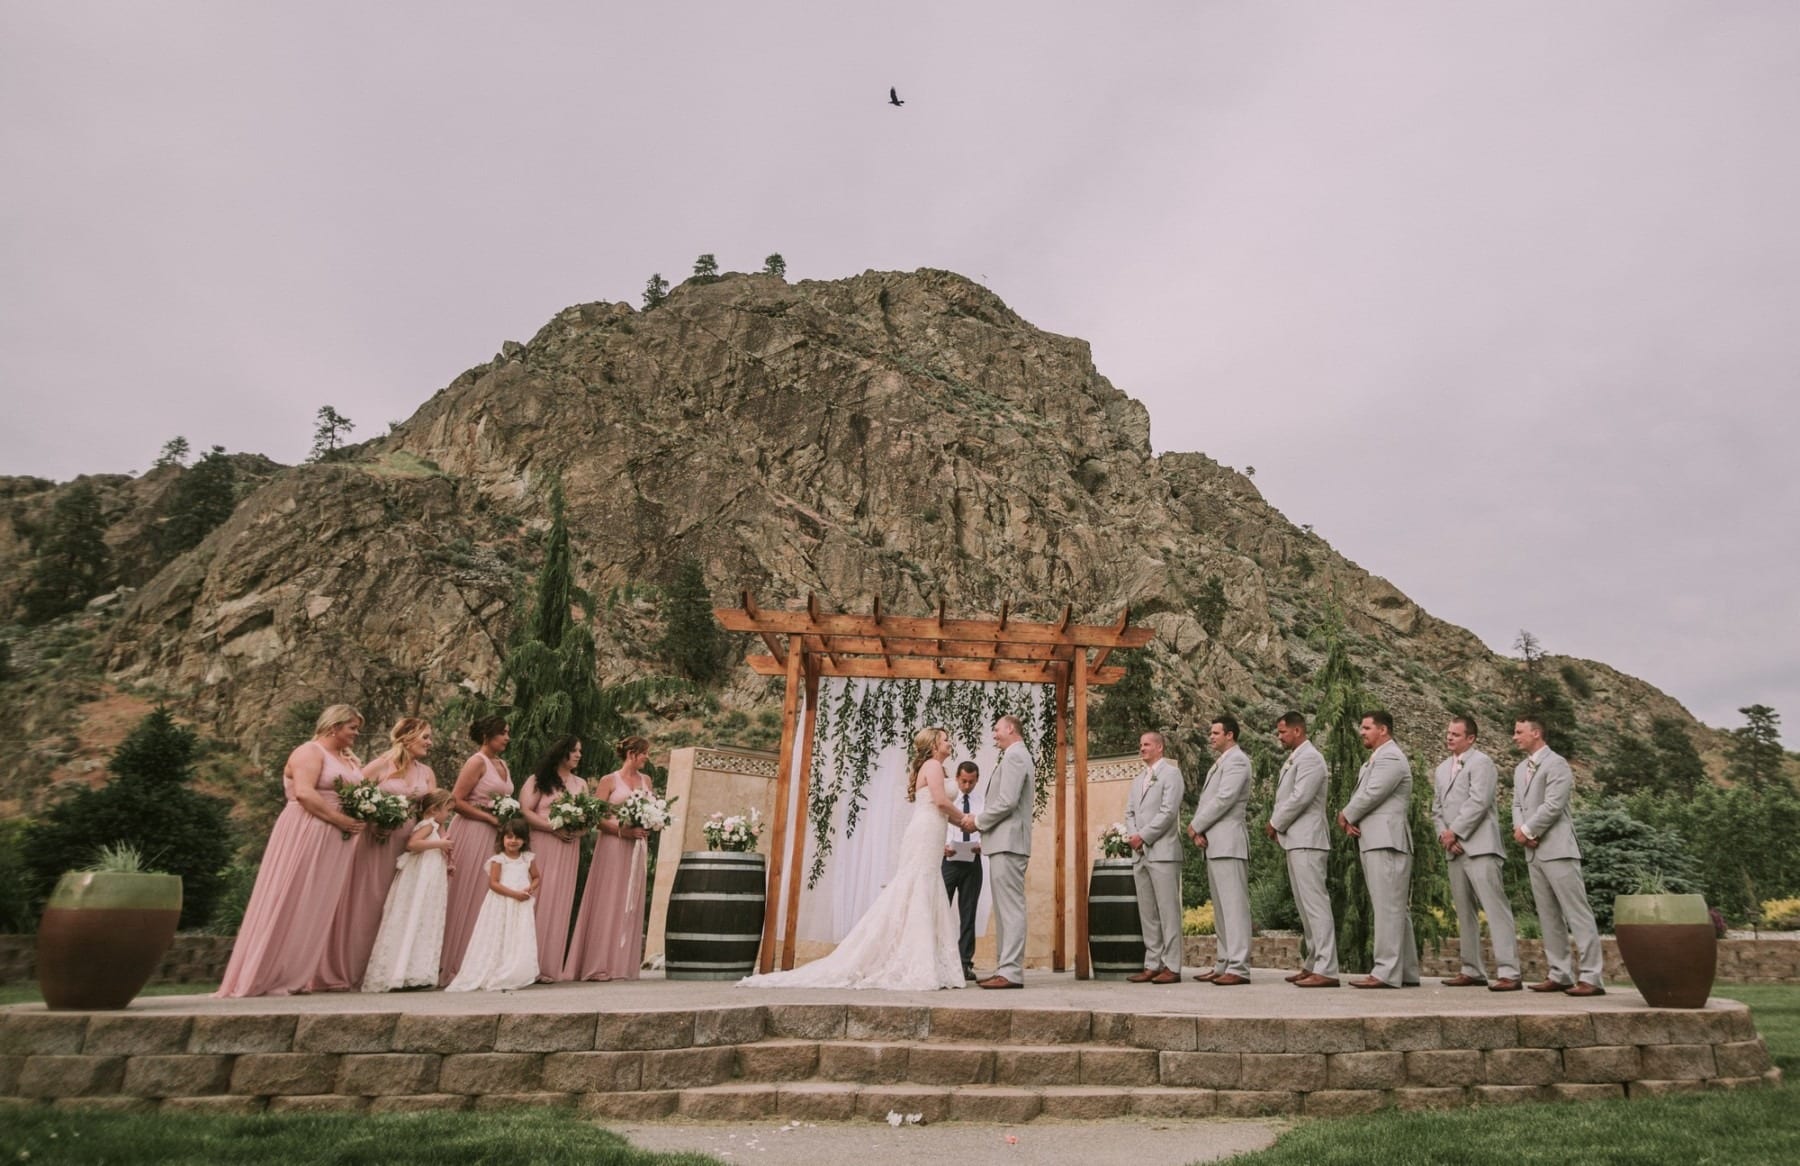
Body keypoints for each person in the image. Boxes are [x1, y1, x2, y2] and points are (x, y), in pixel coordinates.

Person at [741, 726, 966, 990]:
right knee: (917, 886)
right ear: (934, 745)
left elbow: (939, 806)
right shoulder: (933, 766)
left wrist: (962, 824)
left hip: (931, 829)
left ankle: (923, 958)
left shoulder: (934, 768)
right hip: (926, 830)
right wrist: (964, 819)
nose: (950, 743)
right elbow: (939, 801)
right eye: (945, 739)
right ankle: (915, 961)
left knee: (924, 886)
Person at [216, 705, 368, 998]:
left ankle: (296, 975)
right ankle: (266, 974)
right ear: (334, 726)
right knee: (292, 894)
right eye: (352, 727)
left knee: (317, 902)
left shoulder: (348, 759)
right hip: (308, 828)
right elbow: (304, 793)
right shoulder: (309, 752)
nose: (356, 733)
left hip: (339, 836)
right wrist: (341, 820)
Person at [314, 716, 438, 991]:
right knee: (366, 902)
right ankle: (346, 970)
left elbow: (432, 812)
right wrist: (373, 821)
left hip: (410, 843)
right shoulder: (381, 765)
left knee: (397, 905)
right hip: (375, 841)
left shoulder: (427, 773)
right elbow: (352, 797)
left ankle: (387, 970)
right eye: (426, 737)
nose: (430, 743)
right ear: (408, 737)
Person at [1512, 716, 1605, 996]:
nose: (1514, 737)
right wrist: (1521, 829)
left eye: (1519, 732)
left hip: (1558, 849)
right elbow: (1517, 803)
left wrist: (1529, 828)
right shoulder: (1519, 769)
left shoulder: (1557, 764)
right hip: (1534, 851)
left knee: (1576, 912)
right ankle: (1559, 973)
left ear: (1536, 733)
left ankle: (1591, 977)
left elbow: (1554, 804)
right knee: (1548, 915)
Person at [1433, 715, 1523, 992]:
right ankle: (1471, 969)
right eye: (1448, 733)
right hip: (1454, 848)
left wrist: (1456, 832)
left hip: (1480, 846)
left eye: (1456, 734)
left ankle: (1510, 971)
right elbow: (1436, 808)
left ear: (1470, 738)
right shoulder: (1441, 769)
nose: (1449, 738)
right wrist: (1444, 835)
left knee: (1495, 908)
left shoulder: (1481, 763)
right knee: (1464, 911)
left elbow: (1479, 801)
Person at [564, 736, 657, 982]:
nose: (647, 757)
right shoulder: (609, 780)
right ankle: (598, 964)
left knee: (630, 899)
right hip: (613, 846)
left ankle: (622, 964)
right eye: (645, 753)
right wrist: (622, 830)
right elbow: (595, 818)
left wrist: (652, 822)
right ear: (632, 754)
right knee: (608, 899)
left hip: (637, 846)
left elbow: (654, 809)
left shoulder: (646, 781)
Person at [1340, 710, 1421, 989]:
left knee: (1388, 907)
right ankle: (1407, 971)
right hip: (1375, 838)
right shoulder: (1376, 759)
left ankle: (1385, 971)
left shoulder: (1391, 757)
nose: (1361, 732)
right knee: (1395, 907)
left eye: (1366, 727)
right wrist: (1355, 820)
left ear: (1383, 730)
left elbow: (1373, 792)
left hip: (1387, 841)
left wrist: (1347, 814)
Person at [440, 715, 515, 985]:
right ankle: (450, 962)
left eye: (507, 733)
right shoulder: (476, 762)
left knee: (484, 894)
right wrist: (488, 817)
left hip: (494, 837)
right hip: (472, 831)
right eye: (502, 733)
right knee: (465, 891)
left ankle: (478, 960)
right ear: (487, 735)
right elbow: (455, 800)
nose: (507, 737)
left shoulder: (502, 764)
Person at [1266, 712, 1338, 988]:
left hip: (1308, 839)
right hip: (1296, 839)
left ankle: (1327, 967)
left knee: (1316, 904)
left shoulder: (1310, 758)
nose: (1279, 737)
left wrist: (1275, 823)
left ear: (1297, 731)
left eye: (1282, 732)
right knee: (1305, 907)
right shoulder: (1297, 757)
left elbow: (1300, 798)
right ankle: (1313, 961)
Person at [362, 789, 457, 992]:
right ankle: (402, 972)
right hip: (422, 873)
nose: (448, 815)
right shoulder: (428, 825)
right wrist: (439, 843)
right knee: (417, 913)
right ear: (433, 810)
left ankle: (418, 972)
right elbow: (412, 844)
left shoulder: (435, 826)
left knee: (427, 919)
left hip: (433, 872)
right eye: (447, 811)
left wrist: (447, 859)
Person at [971, 716, 1035, 990]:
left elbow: (1007, 802)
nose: (994, 734)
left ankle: (1010, 971)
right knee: (1005, 908)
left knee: (1010, 908)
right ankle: (1004, 968)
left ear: (1010, 729)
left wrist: (978, 821)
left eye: (997, 729)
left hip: (1009, 842)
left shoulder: (1015, 757)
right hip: (1003, 842)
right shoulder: (1013, 756)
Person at [1189, 715, 1252, 985]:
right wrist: (1201, 831)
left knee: (1234, 906)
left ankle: (1239, 967)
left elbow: (1225, 799)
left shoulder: (1237, 760)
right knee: (1222, 909)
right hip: (1215, 842)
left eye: (1216, 733)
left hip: (1229, 841)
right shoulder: (1221, 762)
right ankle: (1224, 961)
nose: (1211, 737)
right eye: (1210, 733)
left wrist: (1196, 825)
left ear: (1230, 735)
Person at [446, 818, 540, 992]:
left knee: (517, 935)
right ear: (502, 838)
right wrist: (514, 894)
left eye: (518, 838)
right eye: (509, 837)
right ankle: (493, 970)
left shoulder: (528, 858)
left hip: (521, 904)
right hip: (501, 902)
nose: (513, 841)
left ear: (525, 840)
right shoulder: (498, 860)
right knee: (499, 933)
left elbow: (536, 877)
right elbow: (494, 884)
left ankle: (513, 970)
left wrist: (530, 888)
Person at [521, 736, 587, 982]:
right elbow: (526, 810)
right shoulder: (539, 779)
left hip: (569, 847)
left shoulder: (581, 784)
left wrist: (577, 830)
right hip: (543, 843)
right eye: (574, 751)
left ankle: (548, 966)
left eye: (580, 751)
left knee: (560, 901)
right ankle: (527, 964)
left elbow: (588, 817)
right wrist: (552, 828)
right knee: (538, 899)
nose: (579, 755)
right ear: (561, 753)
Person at [1125, 732, 1184, 985]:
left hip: (1163, 852)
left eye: (1146, 744)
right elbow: (1129, 812)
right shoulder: (1138, 780)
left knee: (1168, 911)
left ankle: (1172, 965)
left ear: (1159, 747)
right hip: (1140, 854)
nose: (1142, 749)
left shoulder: (1172, 775)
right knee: (1147, 912)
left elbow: (1168, 812)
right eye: (1140, 745)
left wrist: (1144, 836)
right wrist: (1132, 836)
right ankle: (1152, 963)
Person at [941, 760, 985, 982]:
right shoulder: (948, 799)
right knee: (940, 910)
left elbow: (988, 827)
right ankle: (939, 960)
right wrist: (943, 847)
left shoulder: (981, 801)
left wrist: (982, 845)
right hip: (948, 861)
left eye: (971, 782)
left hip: (972, 862)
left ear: (977, 780)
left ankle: (965, 963)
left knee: (968, 914)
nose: (967, 786)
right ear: (957, 779)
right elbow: (936, 824)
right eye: (963, 781)